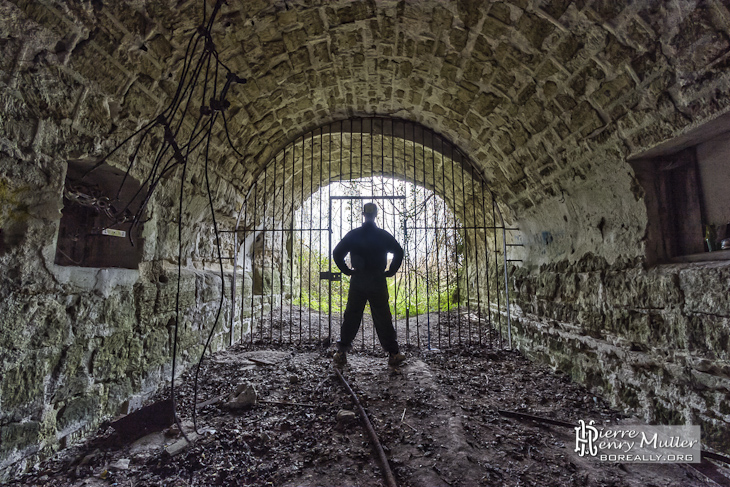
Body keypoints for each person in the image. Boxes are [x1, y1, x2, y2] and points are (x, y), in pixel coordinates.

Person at [332, 202, 406, 367]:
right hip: (377, 279)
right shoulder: (383, 235)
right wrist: (391, 271)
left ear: (363, 215)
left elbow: (337, 253)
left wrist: (347, 270)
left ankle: (341, 352)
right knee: (383, 317)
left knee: (351, 315)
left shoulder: (354, 234)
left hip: (358, 278)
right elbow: (399, 252)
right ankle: (393, 354)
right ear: (376, 215)